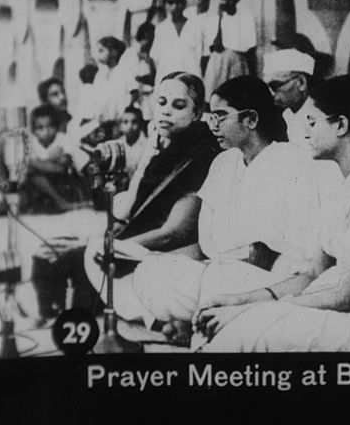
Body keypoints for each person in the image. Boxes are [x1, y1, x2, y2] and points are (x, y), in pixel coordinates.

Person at [194, 75, 350, 353]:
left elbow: (345, 295)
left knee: (253, 328)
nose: (305, 133)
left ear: (340, 125)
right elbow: (313, 274)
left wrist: (252, 311)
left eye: (313, 123)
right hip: (347, 318)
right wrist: (239, 301)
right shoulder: (344, 185)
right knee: (229, 311)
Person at [121, 76, 335, 345]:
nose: (213, 126)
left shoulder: (289, 161)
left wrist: (221, 270)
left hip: (266, 280)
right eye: (210, 118)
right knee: (150, 272)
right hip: (218, 271)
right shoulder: (224, 162)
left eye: (220, 117)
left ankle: (205, 326)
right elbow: (205, 245)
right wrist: (157, 259)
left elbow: (277, 254)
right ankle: (202, 321)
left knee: (215, 282)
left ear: (251, 120)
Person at [80, 72, 222, 322]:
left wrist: (119, 247)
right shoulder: (164, 147)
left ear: (198, 113)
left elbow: (175, 232)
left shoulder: (199, 154)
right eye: (162, 102)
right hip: (148, 244)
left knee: (87, 260)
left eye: (179, 105)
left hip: (177, 253)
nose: (166, 112)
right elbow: (130, 208)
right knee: (77, 256)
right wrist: (148, 153)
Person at [19, 104, 91, 213]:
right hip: (41, 180)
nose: (46, 131)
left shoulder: (62, 139)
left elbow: (63, 165)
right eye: (40, 128)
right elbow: (29, 165)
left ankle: (69, 201)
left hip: (60, 178)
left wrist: (39, 164)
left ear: (57, 127)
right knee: (34, 177)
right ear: (33, 130)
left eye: (50, 126)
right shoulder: (32, 144)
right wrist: (51, 160)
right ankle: (60, 202)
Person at [196, 0, 257, 100]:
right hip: (219, 63)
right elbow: (216, 46)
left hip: (238, 63)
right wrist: (220, 18)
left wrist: (253, 74)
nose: (226, 2)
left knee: (238, 98)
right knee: (217, 97)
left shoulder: (246, 17)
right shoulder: (214, 19)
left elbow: (251, 49)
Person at [262, 48, 316, 147]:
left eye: (275, 85)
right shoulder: (288, 114)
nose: (272, 93)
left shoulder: (319, 117)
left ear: (301, 83)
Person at [149, 0, 200, 82]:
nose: (175, 6)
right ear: (164, 4)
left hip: (191, 79)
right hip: (167, 79)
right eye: (171, 2)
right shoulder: (161, 29)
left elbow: (203, 57)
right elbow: (154, 57)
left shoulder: (195, 26)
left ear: (185, 3)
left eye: (179, 2)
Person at [90, 36, 137, 123]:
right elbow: (96, 97)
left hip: (121, 119)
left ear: (114, 52)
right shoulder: (100, 74)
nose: (99, 55)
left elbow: (134, 92)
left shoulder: (124, 71)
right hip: (103, 120)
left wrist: (127, 110)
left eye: (102, 50)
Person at [117, 106, 149, 180]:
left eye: (134, 122)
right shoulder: (118, 145)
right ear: (120, 126)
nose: (130, 126)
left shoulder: (148, 145)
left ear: (140, 124)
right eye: (125, 122)